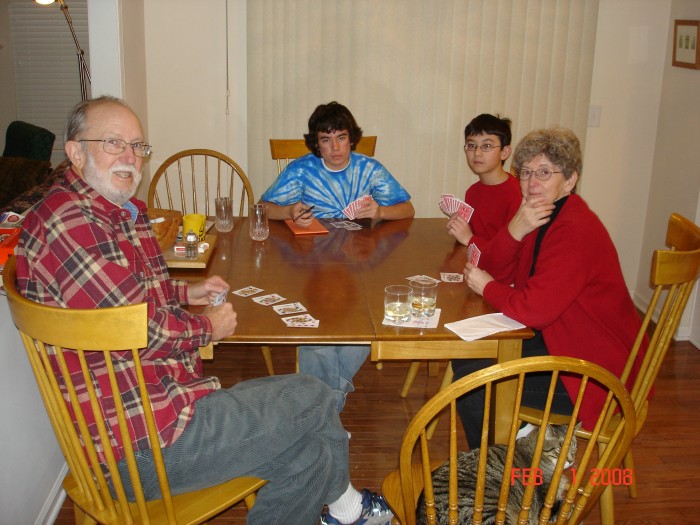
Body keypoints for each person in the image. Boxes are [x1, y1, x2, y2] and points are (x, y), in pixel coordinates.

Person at [14, 96, 392, 525]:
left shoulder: (107, 210)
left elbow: (119, 295)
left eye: (138, 147)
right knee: (313, 394)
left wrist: (183, 291)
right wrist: (206, 327)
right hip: (139, 448)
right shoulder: (72, 224)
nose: (130, 157)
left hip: (160, 404)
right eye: (114, 143)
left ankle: (347, 508)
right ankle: (351, 509)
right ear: (76, 152)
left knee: (310, 456)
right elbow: (138, 329)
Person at [452, 127, 647, 449]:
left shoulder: (574, 229)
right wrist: (514, 231)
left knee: (474, 385)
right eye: (526, 172)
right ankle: (523, 449)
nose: (532, 183)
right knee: (466, 357)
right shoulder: (544, 215)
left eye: (544, 173)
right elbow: (498, 269)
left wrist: (488, 288)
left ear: (569, 180)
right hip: (564, 338)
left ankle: (508, 477)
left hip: (595, 371)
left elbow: (534, 310)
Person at [260, 101, 414, 412]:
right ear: (316, 143)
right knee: (320, 323)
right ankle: (331, 400)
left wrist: (381, 210)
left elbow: (408, 209)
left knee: (363, 319)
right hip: (313, 265)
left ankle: (321, 402)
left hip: (360, 266)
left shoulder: (369, 168)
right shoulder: (302, 169)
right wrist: (288, 211)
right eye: (326, 140)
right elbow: (262, 208)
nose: (335, 148)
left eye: (341, 137)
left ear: (352, 139)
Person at [446, 113, 521, 253]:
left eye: (486, 146)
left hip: (499, 273)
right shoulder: (472, 192)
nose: (477, 153)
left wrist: (468, 239)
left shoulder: (516, 194)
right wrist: (459, 228)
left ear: (504, 152)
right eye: (471, 145)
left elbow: (509, 251)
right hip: (474, 267)